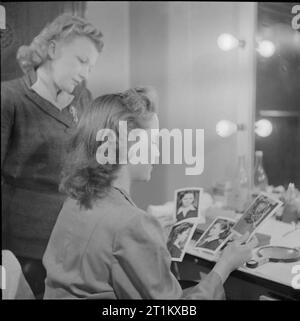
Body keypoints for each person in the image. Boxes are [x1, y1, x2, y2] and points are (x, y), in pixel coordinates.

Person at [43, 87, 257, 299]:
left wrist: (151, 244)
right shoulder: (132, 224)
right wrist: (225, 265)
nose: (158, 151)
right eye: (154, 141)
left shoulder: (75, 200)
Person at [1, 14, 103, 298]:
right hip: (23, 246)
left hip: (73, 237)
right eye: (82, 61)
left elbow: (92, 163)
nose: (86, 73)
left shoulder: (83, 100)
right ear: (53, 49)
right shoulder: (9, 98)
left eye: (91, 66)